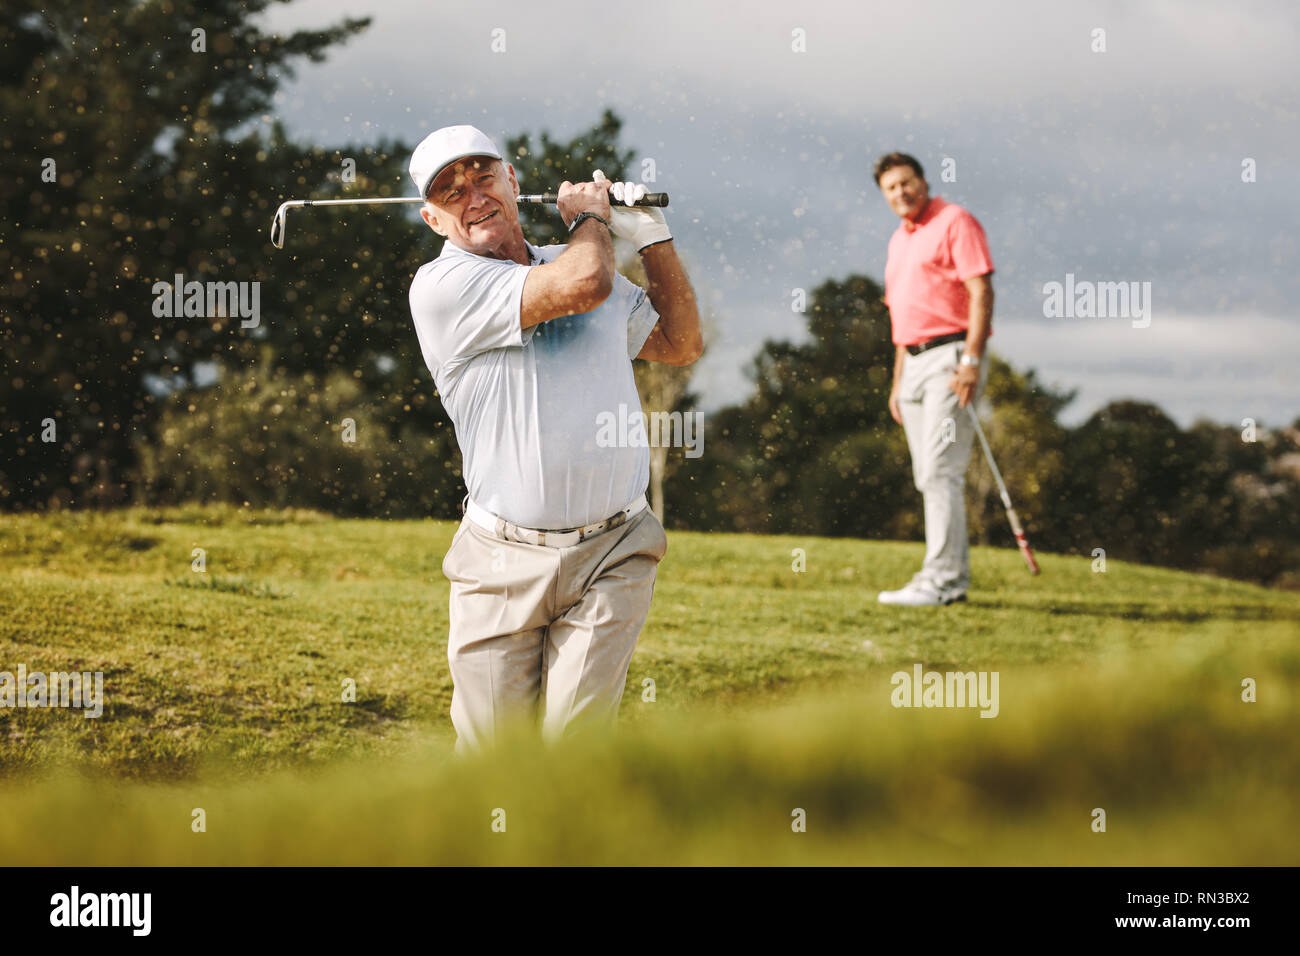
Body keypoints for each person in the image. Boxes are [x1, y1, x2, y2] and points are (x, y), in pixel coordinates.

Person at [406, 125, 702, 751]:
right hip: (499, 562)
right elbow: (583, 284)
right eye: (449, 192)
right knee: (493, 763)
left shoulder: (574, 257)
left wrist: (653, 240)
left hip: (613, 552)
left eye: (483, 175)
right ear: (433, 220)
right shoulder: (440, 289)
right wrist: (592, 218)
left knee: (575, 754)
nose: (473, 196)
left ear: (512, 181)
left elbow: (681, 344)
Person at [875, 152, 994, 607]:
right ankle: (946, 577)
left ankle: (943, 580)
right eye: (890, 188)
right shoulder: (898, 241)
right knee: (928, 476)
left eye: (906, 182)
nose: (900, 192)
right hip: (914, 364)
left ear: (923, 182)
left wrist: (971, 359)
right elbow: (903, 318)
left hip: (950, 355)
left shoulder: (955, 221)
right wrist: (897, 382)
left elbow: (981, 290)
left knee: (940, 471)